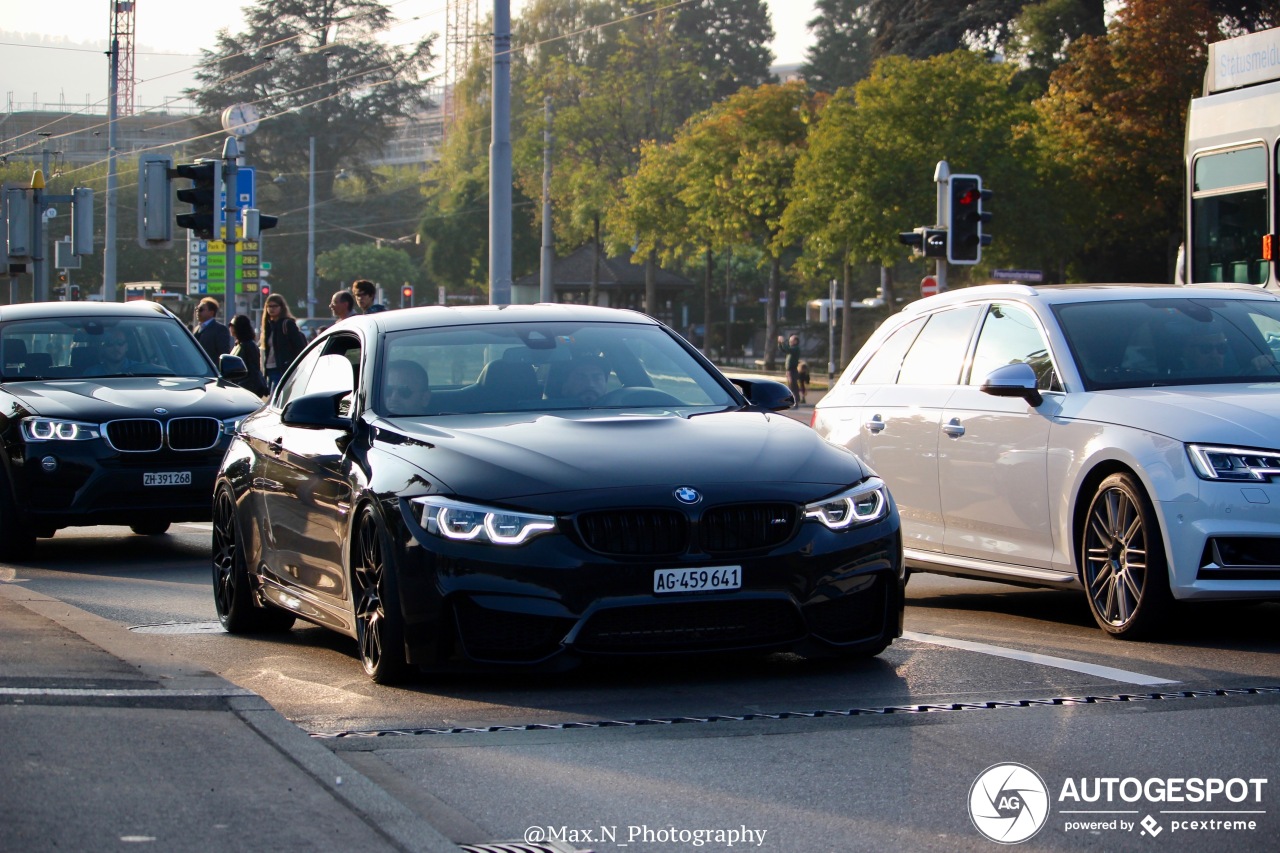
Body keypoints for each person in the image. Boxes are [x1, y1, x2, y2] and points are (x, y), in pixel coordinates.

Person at [259, 293, 308, 389]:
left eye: (275, 306)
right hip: (270, 369)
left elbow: (299, 346)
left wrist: (290, 364)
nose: (271, 309)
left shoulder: (287, 324)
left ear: (281, 307)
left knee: (277, 399)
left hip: (282, 369)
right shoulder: (269, 326)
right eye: (269, 306)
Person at [229, 314, 269, 397]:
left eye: (232, 325)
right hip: (238, 387)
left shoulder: (249, 345)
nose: (230, 327)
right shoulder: (238, 344)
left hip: (247, 389)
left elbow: (254, 369)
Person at [193, 297, 233, 361]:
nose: (197, 312)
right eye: (196, 309)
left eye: (201, 309)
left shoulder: (220, 329)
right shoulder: (196, 329)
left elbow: (224, 353)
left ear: (211, 312)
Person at [778, 333, 802, 402]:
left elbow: (787, 349)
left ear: (796, 341)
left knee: (793, 386)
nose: (789, 342)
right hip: (789, 370)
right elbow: (783, 350)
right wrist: (780, 343)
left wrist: (782, 342)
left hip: (792, 370)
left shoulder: (795, 348)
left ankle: (796, 400)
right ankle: (792, 400)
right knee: (790, 386)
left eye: (791, 341)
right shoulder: (791, 349)